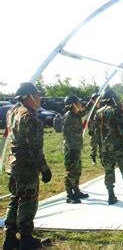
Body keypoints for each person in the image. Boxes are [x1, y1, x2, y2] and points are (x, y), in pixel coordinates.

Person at [2, 82, 52, 249]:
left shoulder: (13, 111)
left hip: (13, 164)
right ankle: (26, 238)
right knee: (28, 201)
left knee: (15, 199)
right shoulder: (30, 118)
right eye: (37, 94)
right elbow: (35, 149)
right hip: (26, 166)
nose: (39, 97)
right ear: (29, 97)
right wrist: (44, 168)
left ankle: (9, 238)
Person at [93, 88, 123, 205]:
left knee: (108, 171)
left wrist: (95, 150)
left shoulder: (97, 112)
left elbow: (95, 133)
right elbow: (122, 128)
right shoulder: (116, 110)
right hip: (118, 147)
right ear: (112, 99)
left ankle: (111, 196)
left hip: (105, 149)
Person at [61, 94, 97, 204]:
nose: (80, 104)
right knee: (70, 172)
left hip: (76, 148)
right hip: (71, 149)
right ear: (73, 105)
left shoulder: (76, 114)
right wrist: (71, 149)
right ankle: (69, 195)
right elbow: (66, 135)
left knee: (77, 171)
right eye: (78, 103)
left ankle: (76, 191)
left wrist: (92, 100)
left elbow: (85, 111)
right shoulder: (68, 117)